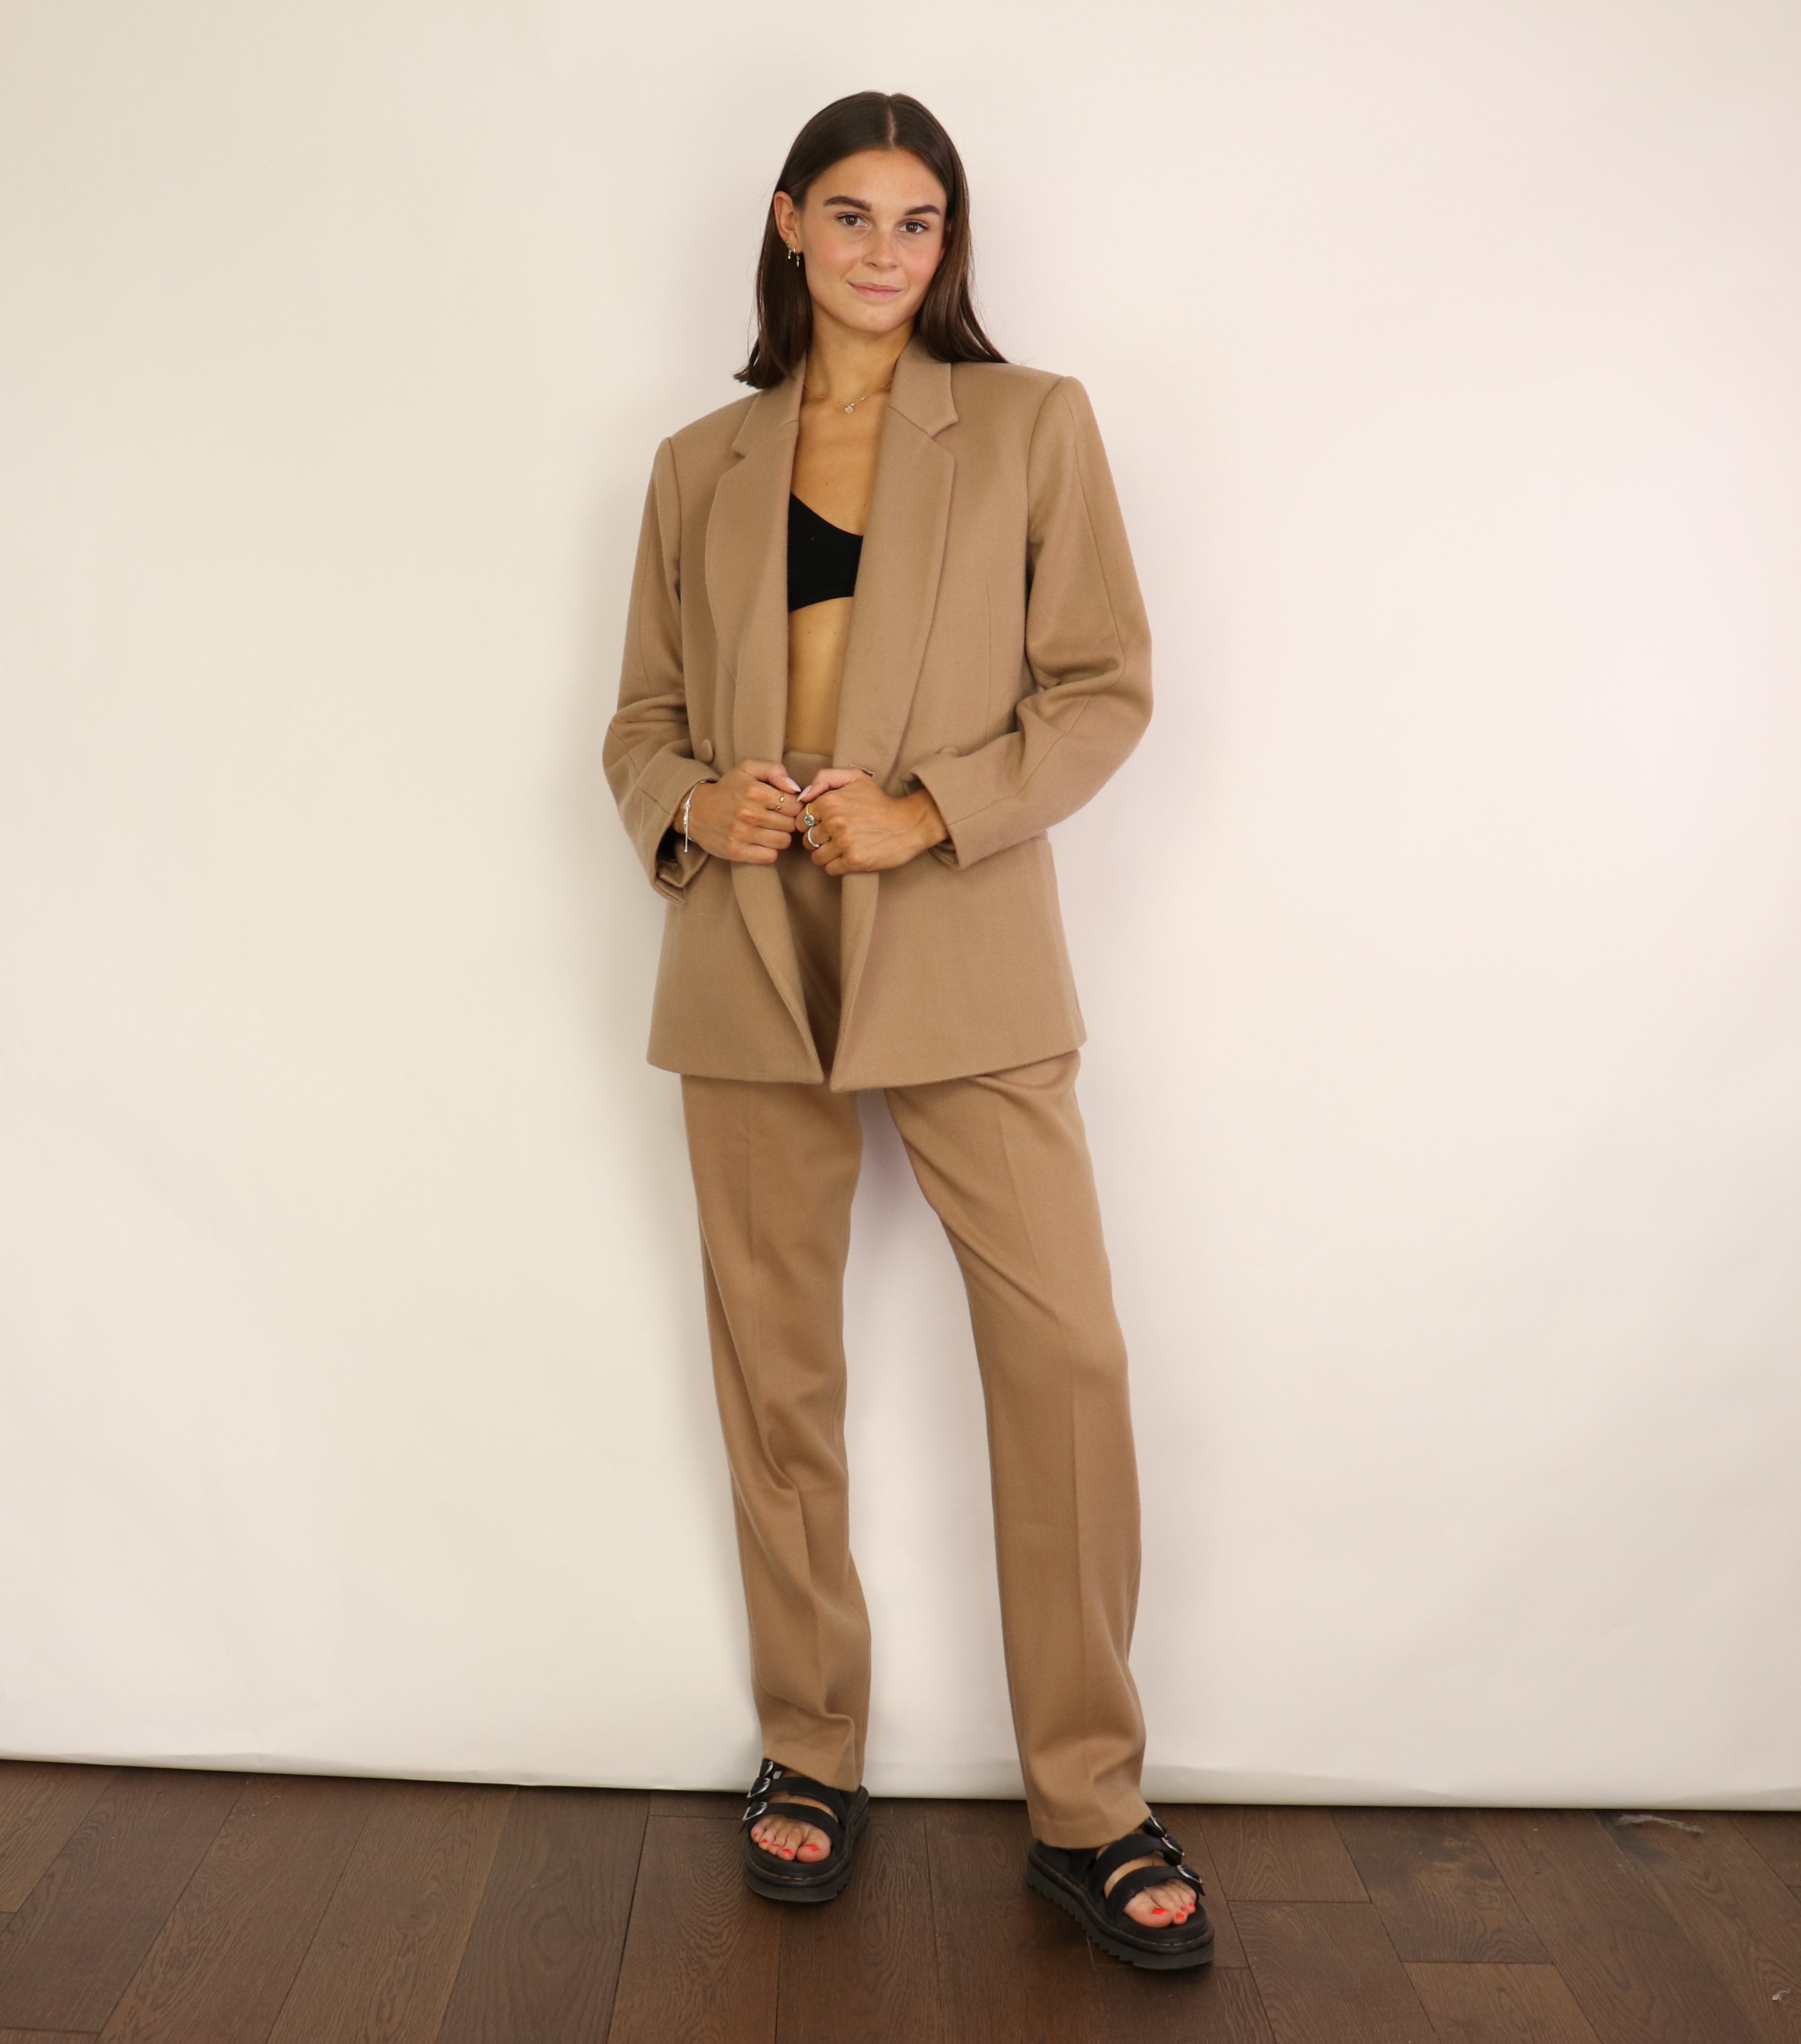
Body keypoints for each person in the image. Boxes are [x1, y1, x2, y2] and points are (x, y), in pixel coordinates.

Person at [602, 89, 1213, 1970]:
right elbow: (640, 722)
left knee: (1066, 1358)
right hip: (747, 955)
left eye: (920, 221)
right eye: (853, 215)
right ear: (789, 224)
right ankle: (811, 1746)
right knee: (776, 1379)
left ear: (950, 246)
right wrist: (692, 803)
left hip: (958, 941)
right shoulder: (697, 462)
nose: (885, 251)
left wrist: (932, 808)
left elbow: (1103, 688)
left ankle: (1090, 1802)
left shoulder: (1031, 424)